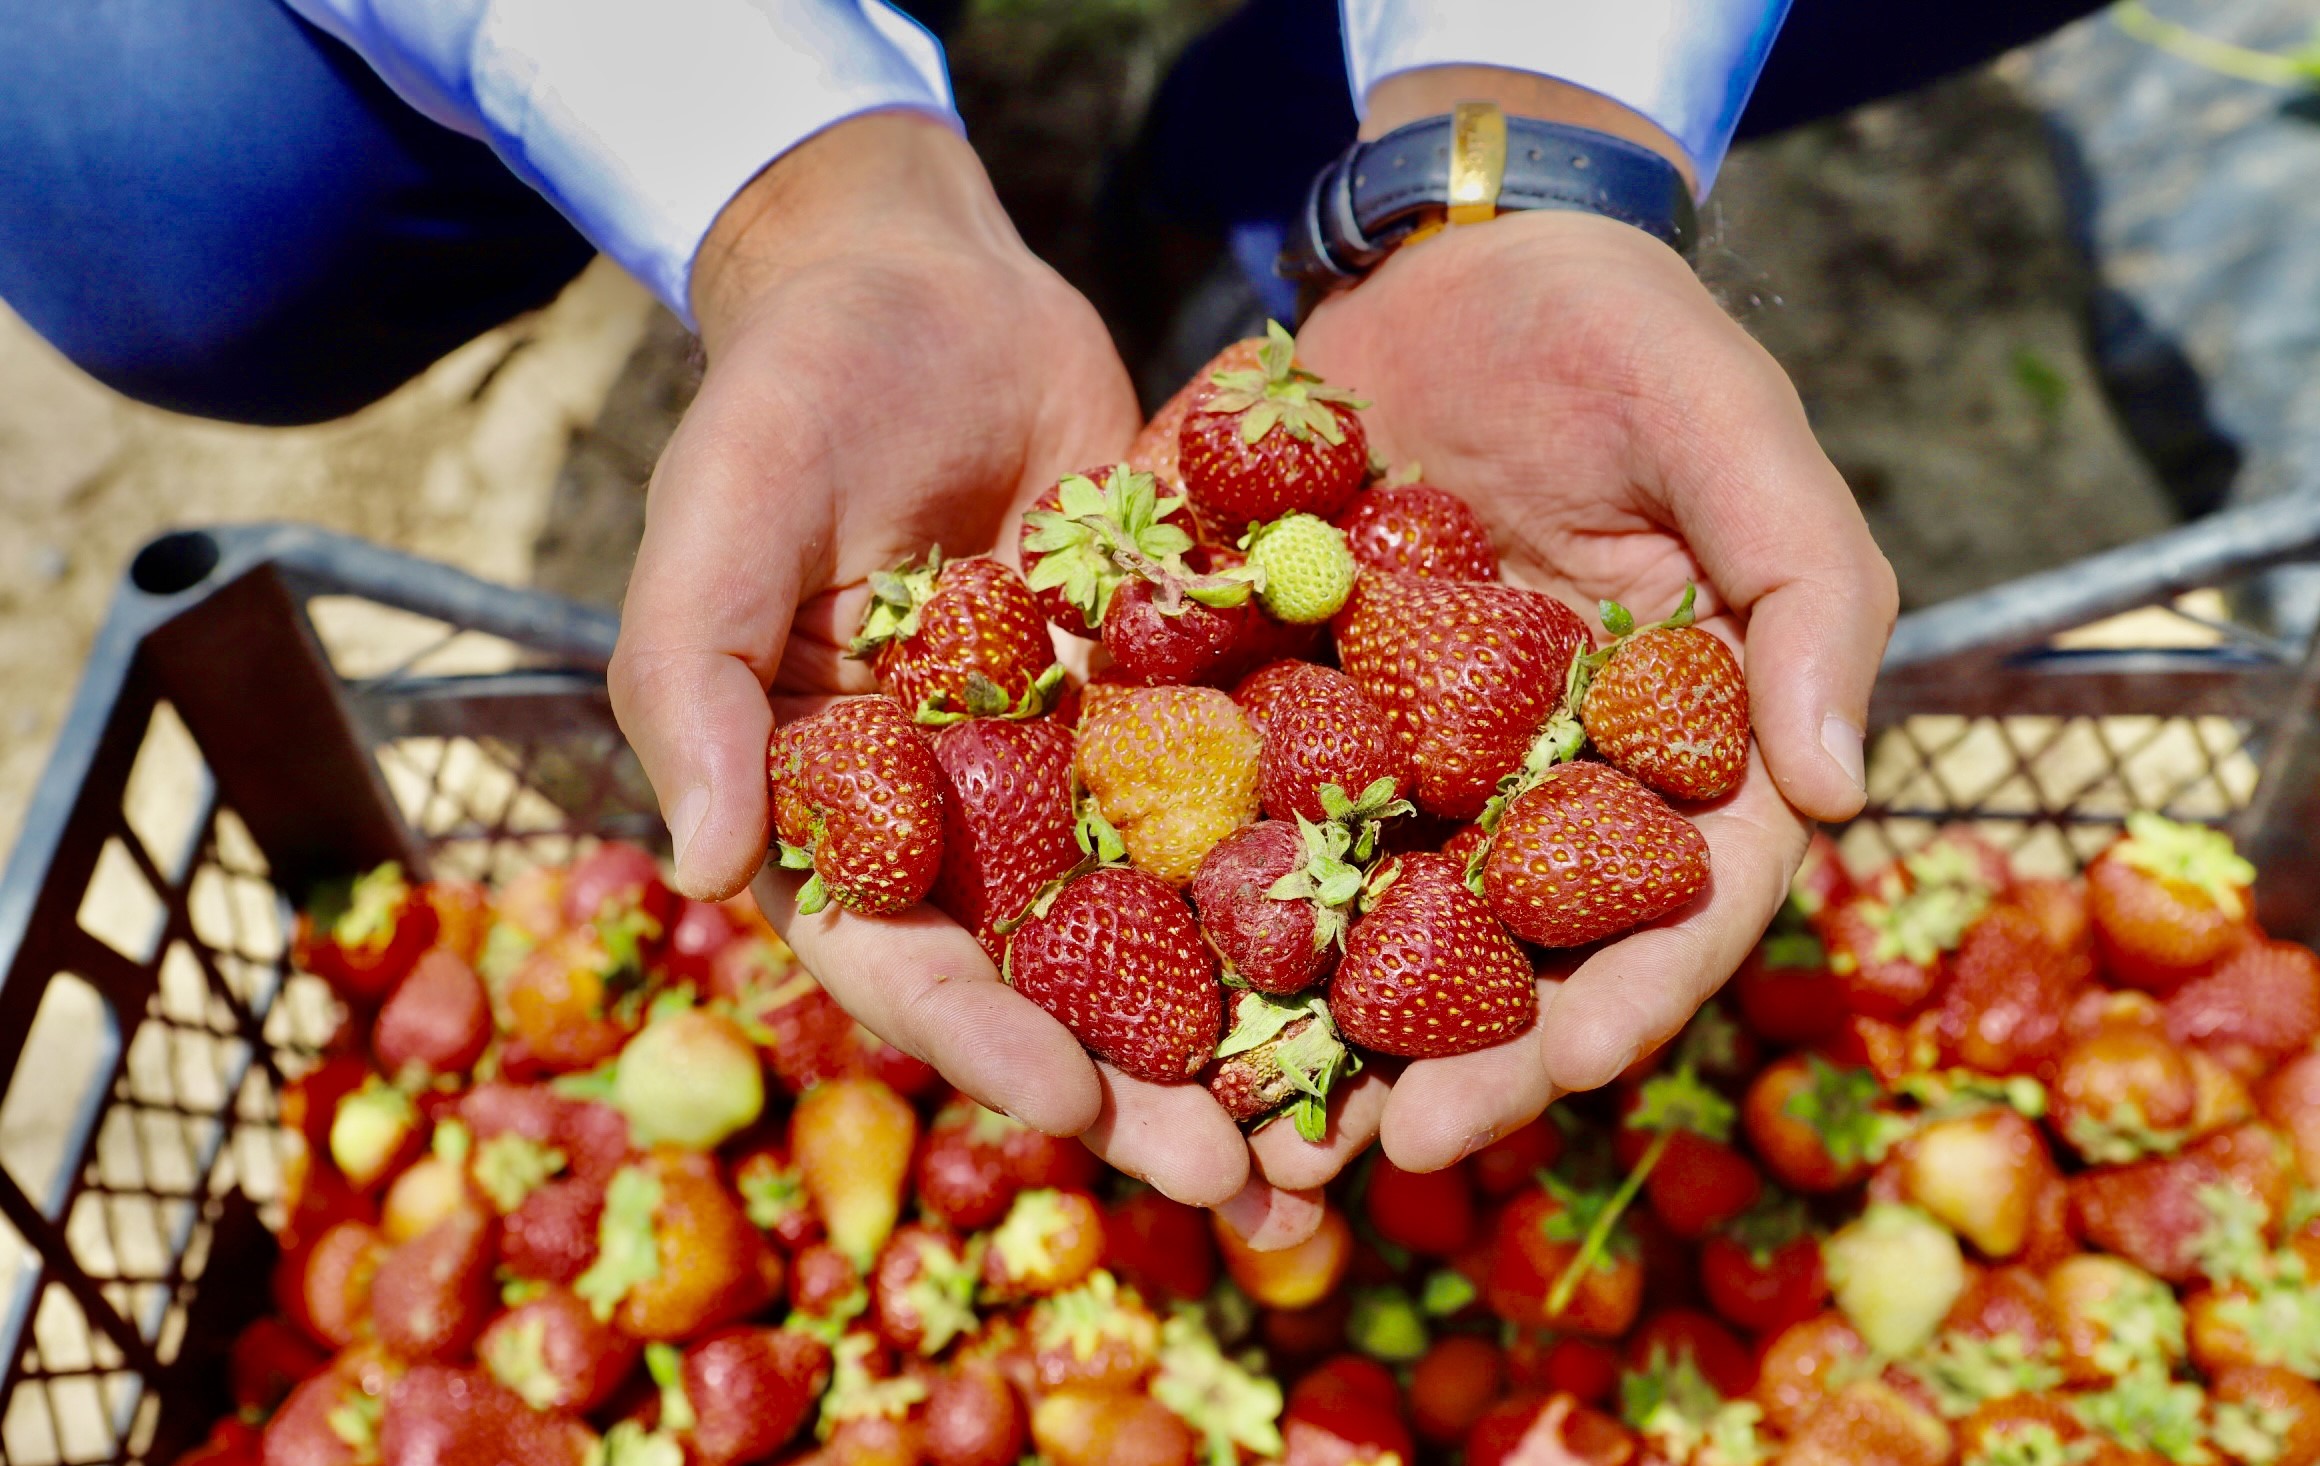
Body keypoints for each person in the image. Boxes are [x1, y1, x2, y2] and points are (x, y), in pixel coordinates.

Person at [0, 0, 2090, 1248]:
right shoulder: (1217, 749)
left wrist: (1523, 153)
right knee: (178, 195)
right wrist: (807, 205)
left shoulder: (1309, 718)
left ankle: (1280, 139)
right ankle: (913, 103)